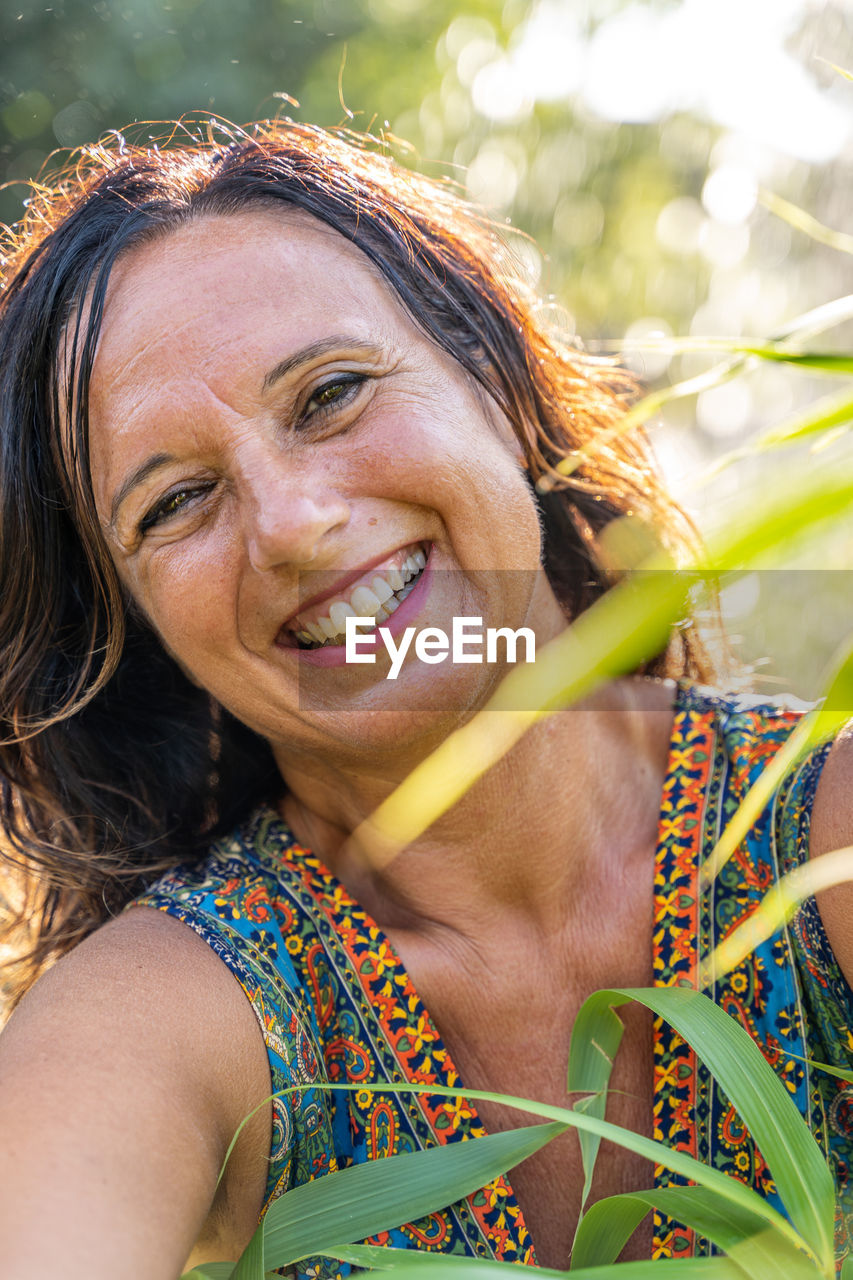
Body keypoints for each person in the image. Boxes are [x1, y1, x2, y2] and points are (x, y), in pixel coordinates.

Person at [0, 120, 850, 1280]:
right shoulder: (165, 1018)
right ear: (137, 624)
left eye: (331, 393)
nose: (294, 523)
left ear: (489, 381)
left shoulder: (823, 838)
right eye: (180, 500)